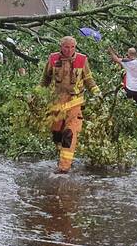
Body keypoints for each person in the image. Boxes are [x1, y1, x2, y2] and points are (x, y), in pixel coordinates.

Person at [42, 36, 102, 174]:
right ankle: (61, 155)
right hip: (56, 104)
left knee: (69, 133)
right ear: (61, 47)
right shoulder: (53, 59)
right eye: (66, 47)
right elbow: (45, 79)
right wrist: (36, 94)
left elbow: (89, 80)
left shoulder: (82, 60)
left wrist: (97, 93)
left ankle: (64, 168)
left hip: (75, 104)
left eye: (72, 47)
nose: (69, 50)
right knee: (57, 134)